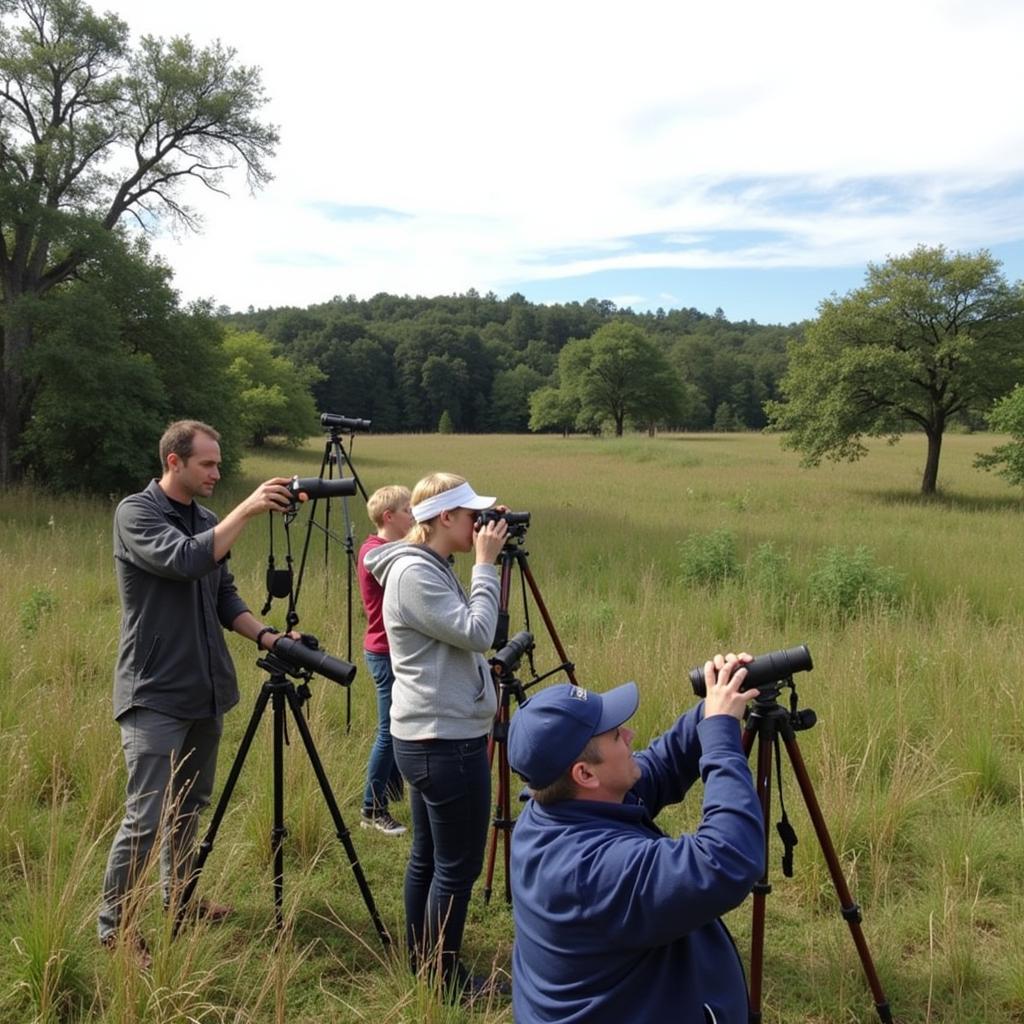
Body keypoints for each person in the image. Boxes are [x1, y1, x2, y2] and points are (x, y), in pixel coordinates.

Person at [98, 420, 295, 966]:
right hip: (155, 690)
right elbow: (184, 561)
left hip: (205, 688)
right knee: (146, 816)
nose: (216, 472)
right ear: (173, 462)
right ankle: (116, 928)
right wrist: (250, 509)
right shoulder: (135, 514)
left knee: (188, 808)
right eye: (207, 464)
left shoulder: (207, 520)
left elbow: (222, 595)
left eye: (217, 462)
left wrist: (269, 635)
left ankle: (179, 899)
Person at [506, 654, 765, 1024]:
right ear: (584, 774)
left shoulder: (550, 809)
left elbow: (658, 768)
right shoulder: (590, 871)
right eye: (614, 735)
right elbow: (727, 860)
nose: (629, 734)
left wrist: (715, 700)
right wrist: (721, 736)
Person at [364, 472, 508, 997]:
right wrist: (487, 566)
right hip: (444, 744)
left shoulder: (428, 564)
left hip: (429, 736)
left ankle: (423, 962)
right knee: (458, 865)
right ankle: (445, 983)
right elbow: (477, 632)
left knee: (428, 856)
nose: (482, 525)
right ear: (444, 518)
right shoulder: (414, 573)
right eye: (473, 517)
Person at [357, 484, 414, 835]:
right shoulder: (375, 552)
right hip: (385, 652)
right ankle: (372, 808)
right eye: (408, 510)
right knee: (389, 732)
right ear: (388, 517)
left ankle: (391, 792)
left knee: (393, 727)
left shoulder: (386, 547)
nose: (414, 516)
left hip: (387, 650)